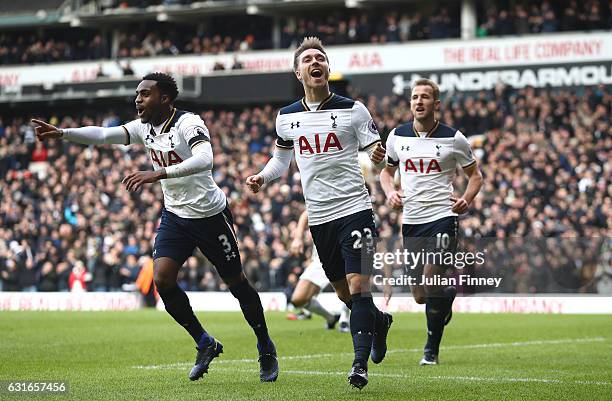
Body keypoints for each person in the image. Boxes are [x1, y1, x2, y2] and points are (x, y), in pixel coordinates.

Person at [31, 72, 279, 382]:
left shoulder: (188, 123)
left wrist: (158, 174)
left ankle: (265, 346)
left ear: (165, 98)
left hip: (209, 215)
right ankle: (204, 343)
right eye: (137, 94)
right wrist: (63, 133)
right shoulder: (144, 128)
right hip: (175, 216)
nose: (138, 99)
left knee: (236, 283)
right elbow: (105, 136)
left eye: (145, 94)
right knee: (162, 280)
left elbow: (205, 159)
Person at [246, 37, 392, 389]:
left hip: (355, 209)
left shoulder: (353, 110)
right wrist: (263, 177)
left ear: (326, 68)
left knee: (359, 288)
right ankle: (380, 322)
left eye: (321, 58)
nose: (315, 62)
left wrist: (379, 157)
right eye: (308, 58)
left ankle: (359, 365)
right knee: (344, 294)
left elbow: (378, 153)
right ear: (299, 72)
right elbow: (281, 159)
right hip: (319, 217)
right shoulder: (287, 117)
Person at [379, 78, 483, 366]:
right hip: (412, 222)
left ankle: (430, 350)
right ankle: (446, 295)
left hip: (443, 218)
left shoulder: (454, 138)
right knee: (421, 296)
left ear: (436, 104)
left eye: (425, 97)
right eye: (415, 97)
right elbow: (386, 173)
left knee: (429, 280)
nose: (419, 102)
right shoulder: (397, 136)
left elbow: (476, 175)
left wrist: (466, 199)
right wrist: (390, 193)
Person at [287, 211, 350, 332]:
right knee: (298, 299)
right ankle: (330, 318)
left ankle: (344, 319)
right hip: (321, 258)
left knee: (349, 286)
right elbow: (306, 214)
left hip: (346, 252)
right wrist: (298, 238)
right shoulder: (321, 197)